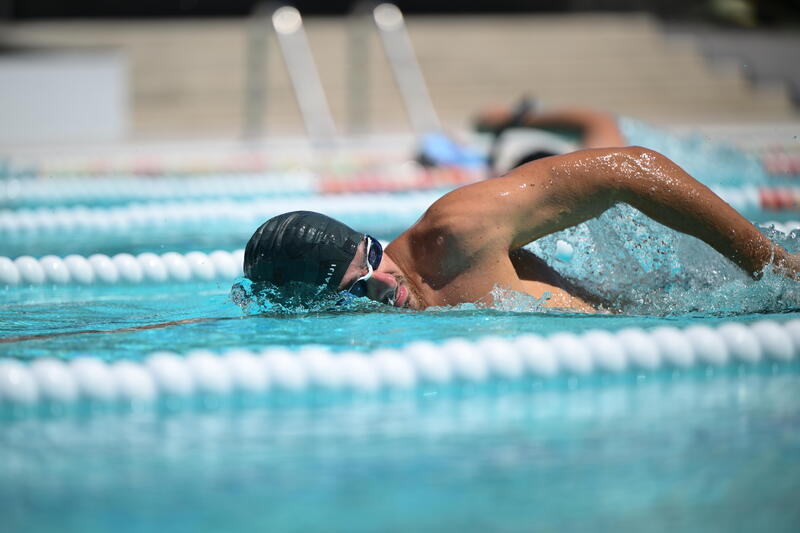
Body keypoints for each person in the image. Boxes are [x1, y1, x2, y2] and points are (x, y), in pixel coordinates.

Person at [243, 146, 799, 313]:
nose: (382, 281)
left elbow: (626, 168)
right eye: (355, 289)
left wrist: (769, 264)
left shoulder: (457, 231)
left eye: (371, 255)